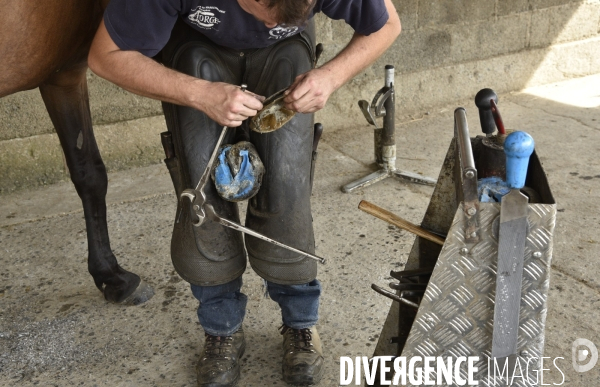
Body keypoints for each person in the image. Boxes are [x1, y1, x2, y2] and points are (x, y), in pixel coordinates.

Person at [88, 0, 400, 385]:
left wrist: (330, 77)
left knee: (287, 183)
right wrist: (198, 93)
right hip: (197, 51)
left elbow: (387, 25)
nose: (270, 23)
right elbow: (104, 57)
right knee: (202, 194)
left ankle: (301, 323)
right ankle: (221, 330)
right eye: (265, 8)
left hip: (285, 57)